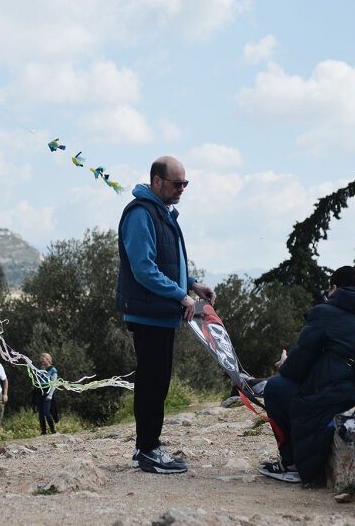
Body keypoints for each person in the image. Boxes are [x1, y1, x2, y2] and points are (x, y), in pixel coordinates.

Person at [115, 155, 215, 474]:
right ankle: (148, 450)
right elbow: (144, 268)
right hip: (149, 315)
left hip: (160, 314)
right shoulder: (141, 214)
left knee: (157, 382)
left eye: (185, 183)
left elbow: (168, 264)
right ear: (157, 181)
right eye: (177, 183)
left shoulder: (163, 213)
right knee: (152, 383)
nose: (182, 188)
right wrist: (180, 295)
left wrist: (193, 285)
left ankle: (146, 447)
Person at [258, 266, 355, 484]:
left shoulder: (325, 313)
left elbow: (295, 369)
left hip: (335, 400)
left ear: (335, 288)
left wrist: (285, 362)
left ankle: (290, 463)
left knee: (275, 387)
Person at [36, 352, 57, 435]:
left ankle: (52, 429)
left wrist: (50, 395)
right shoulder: (41, 368)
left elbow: (53, 383)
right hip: (40, 391)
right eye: (41, 359)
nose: (41, 360)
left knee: (46, 411)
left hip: (47, 391)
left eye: (43, 358)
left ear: (48, 359)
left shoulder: (53, 370)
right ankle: (43, 431)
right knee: (40, 412)